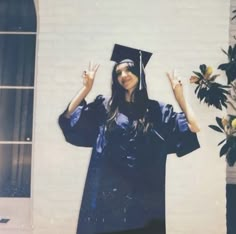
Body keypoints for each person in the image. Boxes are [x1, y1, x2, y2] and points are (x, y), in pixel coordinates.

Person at [58, 44, 200, 234]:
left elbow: (193, 127)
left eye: (128, 70)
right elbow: (69, 118)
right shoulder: (105, 108)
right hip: (106, 198)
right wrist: (86, 89)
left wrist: (180, 97)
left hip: (143, 199)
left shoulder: (158, 112)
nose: (123, 75)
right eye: (118, 72)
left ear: (139, 73)